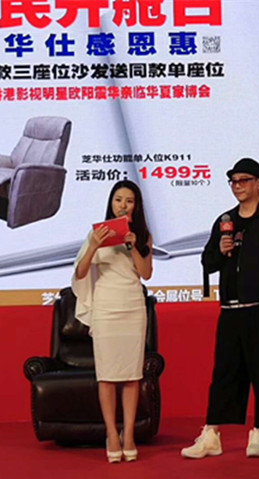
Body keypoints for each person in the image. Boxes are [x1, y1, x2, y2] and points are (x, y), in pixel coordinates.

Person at [181, 158, 259, 459]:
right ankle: (211, 434)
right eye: (233, 181)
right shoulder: (225, 221)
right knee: (224, 373)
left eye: (244, 180)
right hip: (230, 310)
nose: (238, 186)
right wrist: (220, 251)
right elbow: (208, 262)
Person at [72, 180, 153, 463]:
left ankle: (128, 434)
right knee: (106, 376)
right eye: (118, 200)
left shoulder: (142, 235)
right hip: (106, 308)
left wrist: (133, 246)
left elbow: (146, 273)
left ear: (136, 206)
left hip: (132, 307)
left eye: (129, 201)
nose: (123, 205)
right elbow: (81, 273)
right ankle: (112, 434)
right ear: (111, 202)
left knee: (131, 376)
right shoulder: (97, 233)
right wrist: (93, 246)